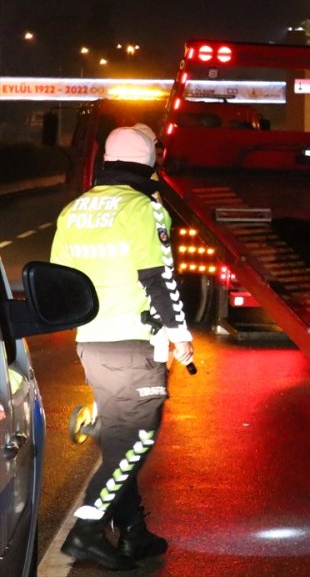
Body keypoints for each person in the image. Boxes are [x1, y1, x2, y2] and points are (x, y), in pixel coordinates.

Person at [51, 126, 194, 570]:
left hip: (91, 343)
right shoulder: (144, 208)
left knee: (118, 442)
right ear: (149, 163)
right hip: (134, 342)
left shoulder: (74, 210)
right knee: (136, 440)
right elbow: (159, 276)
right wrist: (179, 332)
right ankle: (87, 530)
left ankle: (134, 533)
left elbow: (59, 280)